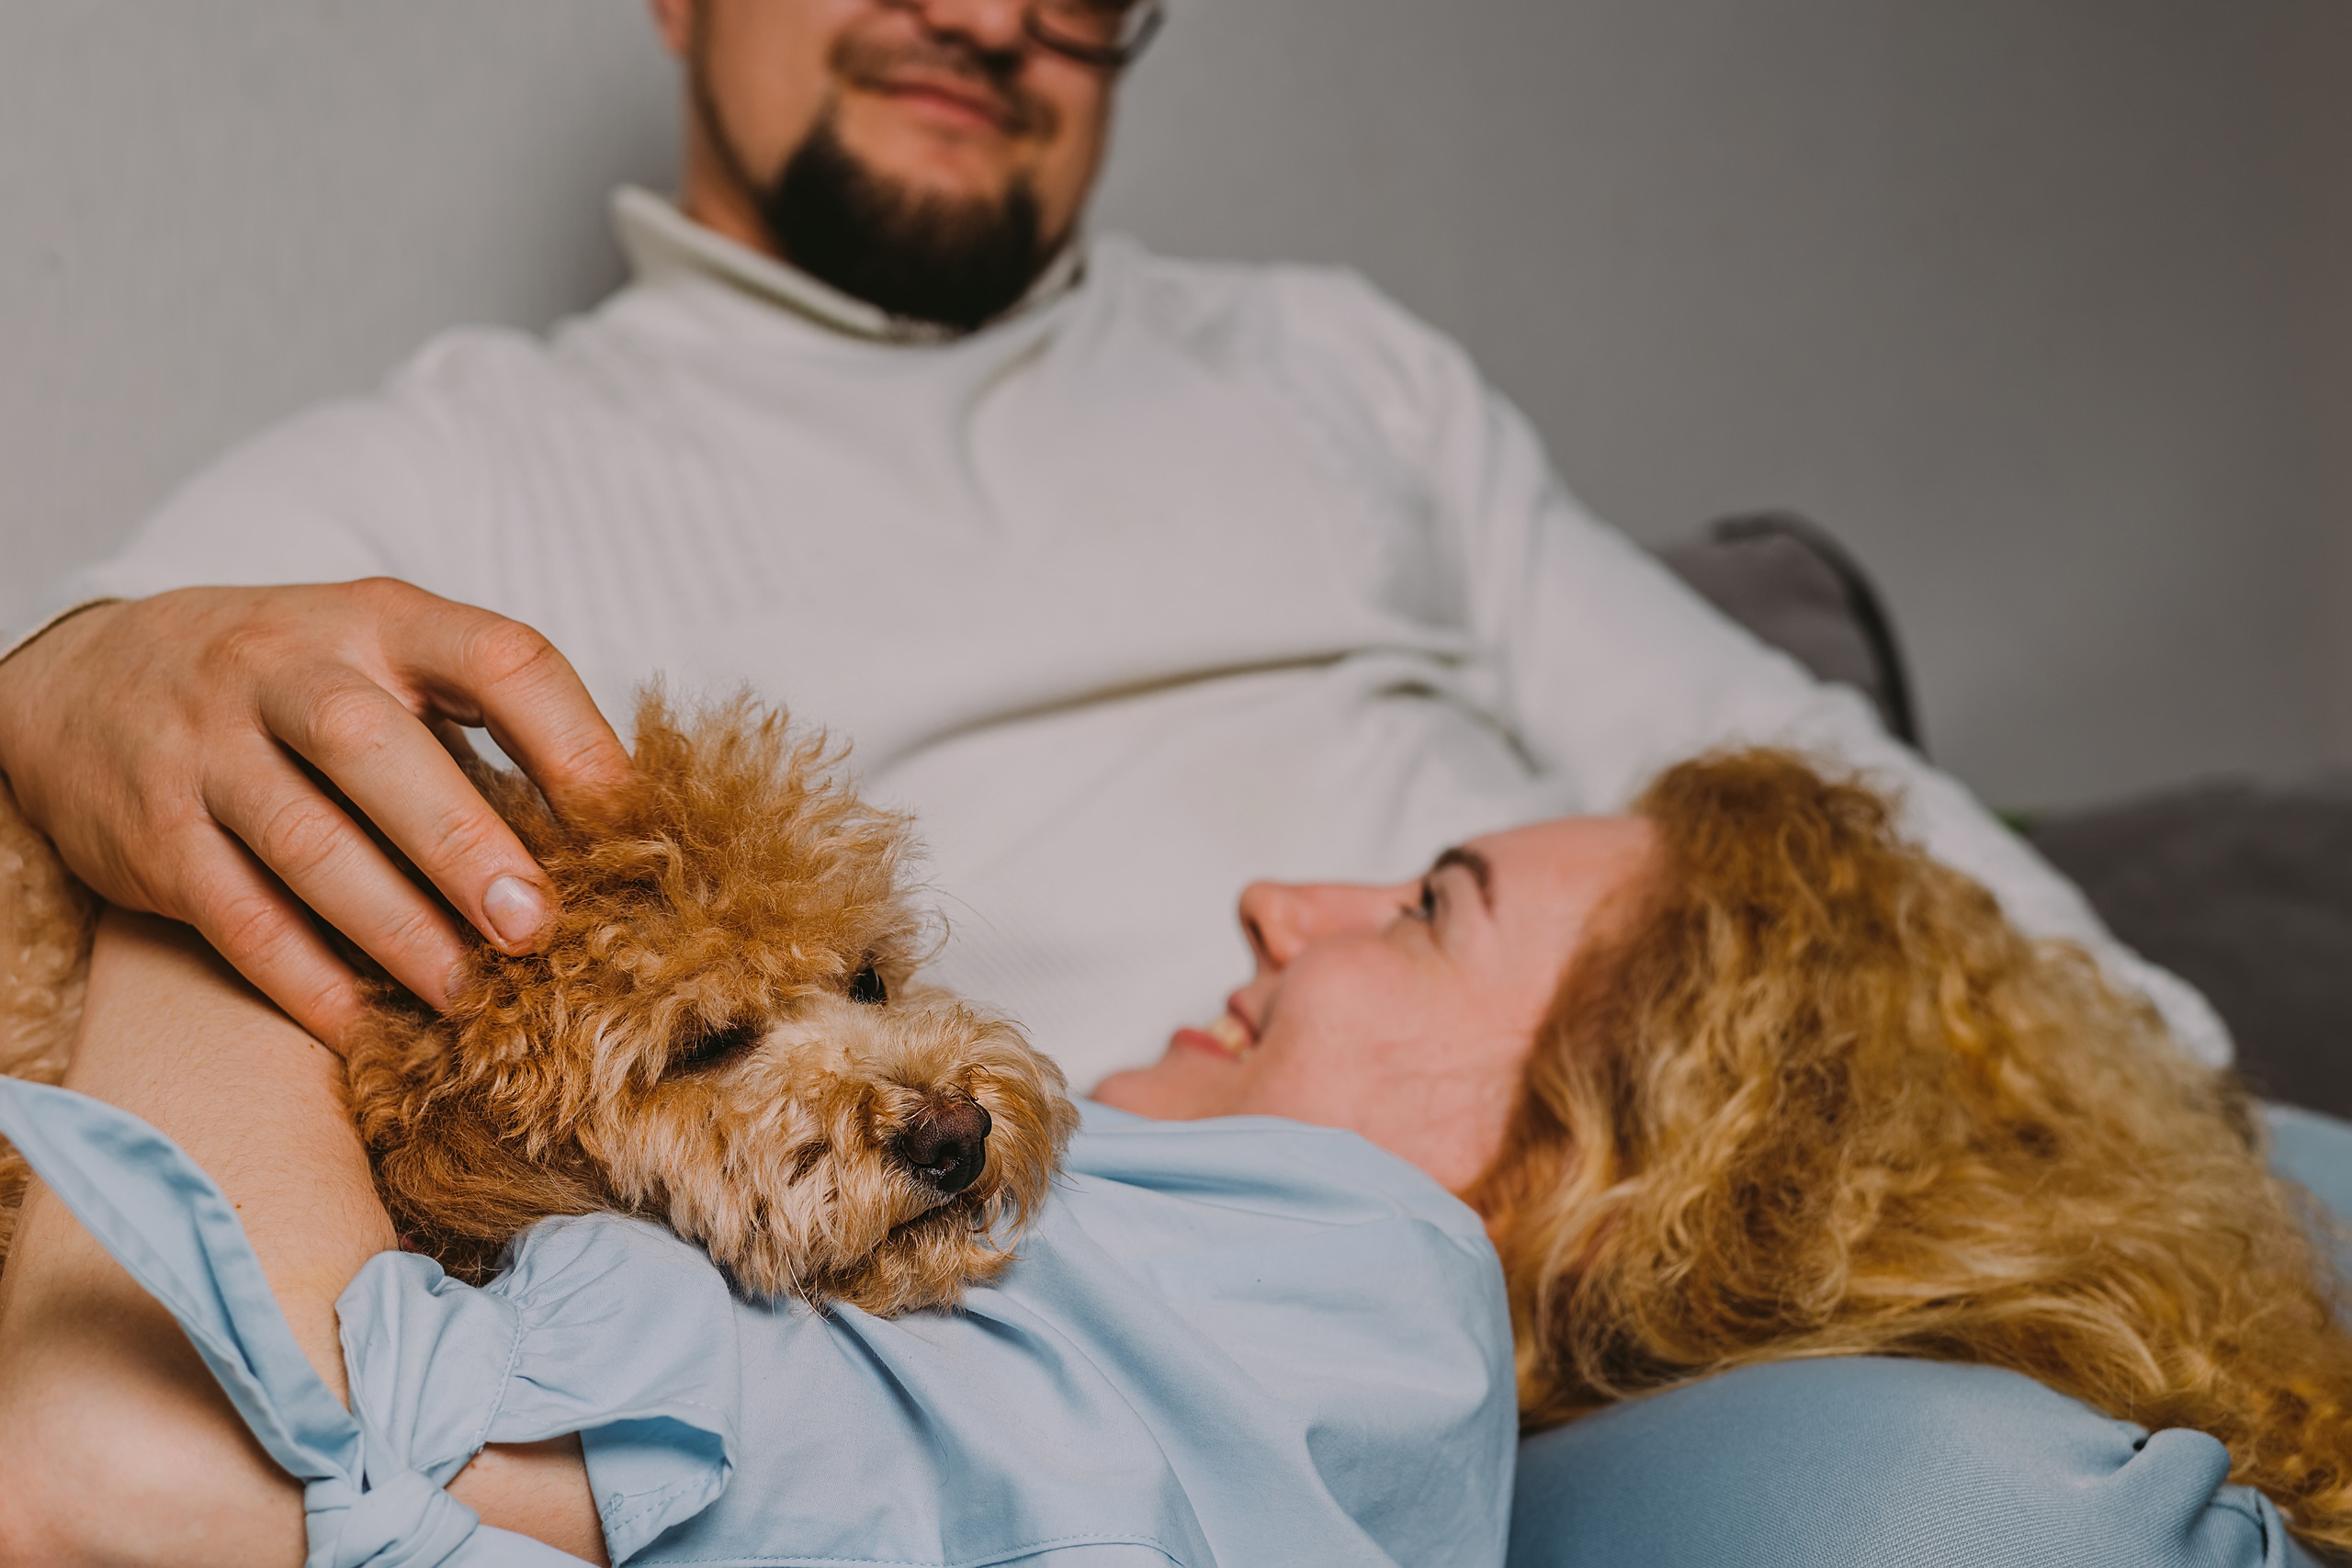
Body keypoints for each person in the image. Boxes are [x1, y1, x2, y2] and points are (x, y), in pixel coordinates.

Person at [0, 0, 2225, 1100]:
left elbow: (1778, 754)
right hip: (1243, 1253)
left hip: (1704, 1146)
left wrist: (2167, 1082)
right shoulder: (474, 460)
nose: (990, 15)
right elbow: (98, 703)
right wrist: (66, 677)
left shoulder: (1332, 361)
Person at [5, 747, 2340, 1564]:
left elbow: (129, 1474)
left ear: (1644, 1143)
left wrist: (194, 844)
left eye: (1428, 907)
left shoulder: (1346, 1302)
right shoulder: (1126, 1271)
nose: (1274, 902)